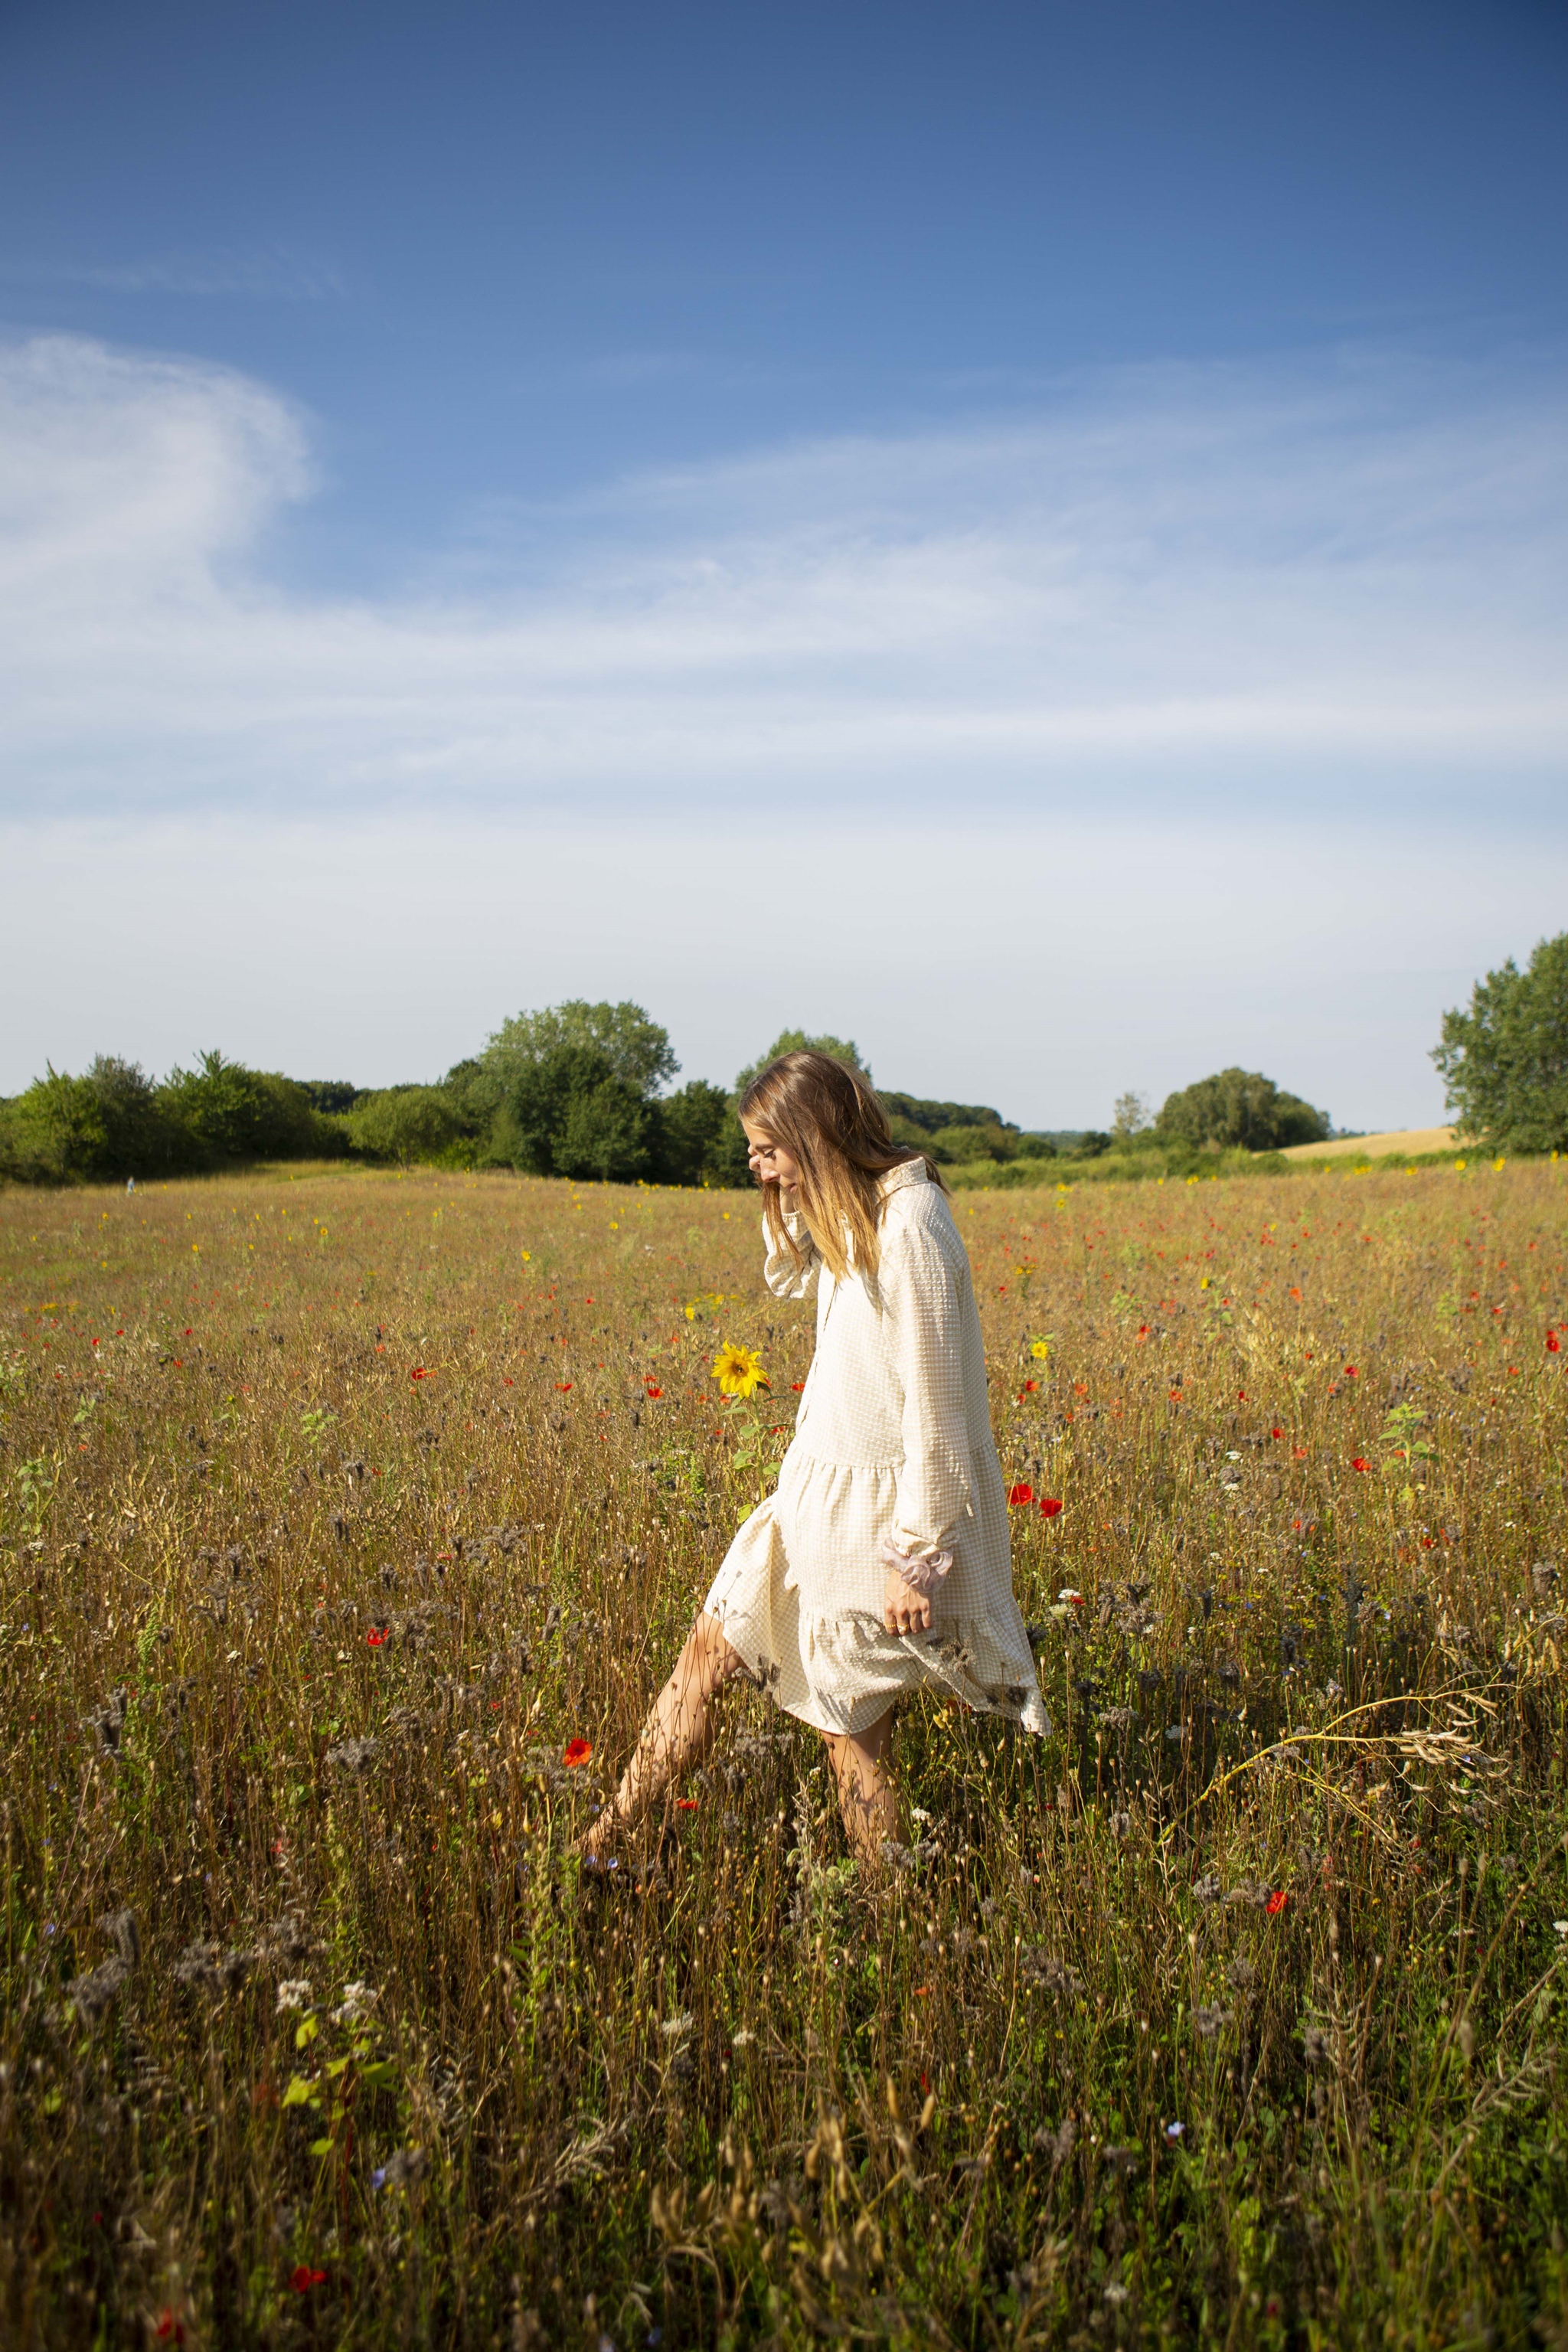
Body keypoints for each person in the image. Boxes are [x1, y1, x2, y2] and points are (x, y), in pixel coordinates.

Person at [583, 1050, 1049, 1871]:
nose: (754, 1166)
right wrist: (785, 1187)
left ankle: (887, 1916)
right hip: (806, 1503)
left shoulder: (911, 1223)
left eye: (767, 1148)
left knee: (852, 1736)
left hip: (873, 1525)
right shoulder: (851, 1211)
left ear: (815, 1131)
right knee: (705, 1651)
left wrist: (915, 1555)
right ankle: (603, 1845)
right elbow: (791, 1270)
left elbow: (939, 1406)